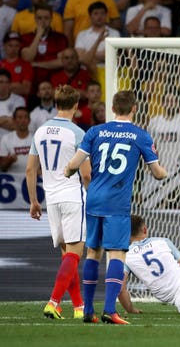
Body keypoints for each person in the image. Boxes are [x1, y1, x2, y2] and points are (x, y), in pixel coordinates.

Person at [64, 90, 168, 324]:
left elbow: (74, 165)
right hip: (117, 203)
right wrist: (167, 172)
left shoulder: (95, 131)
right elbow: (157, 173)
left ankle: (88, 311)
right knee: (117, 254)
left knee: (92, 252)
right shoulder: (140, 135)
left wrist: (67, 171)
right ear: (134, 109)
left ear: (112, 108)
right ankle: (110, 310)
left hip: (93, 199)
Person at [25, 85, 91, 320]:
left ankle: (78, 307)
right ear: (76, 106)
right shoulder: (77, 133)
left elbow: (31, 168)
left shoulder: (40, 131)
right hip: (73, 197)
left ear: (55, 103)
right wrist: (92, 197)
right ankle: (53, 302)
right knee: (75, 254)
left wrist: (34, 201)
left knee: (67, 257)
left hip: (51, 199)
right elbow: (85, 174)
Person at [0, 107, 32, 173]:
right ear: (14, 120)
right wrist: (9, 161)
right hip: (13, 180)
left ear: (29, 120)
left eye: (26, 117)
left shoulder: (37, 138)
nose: (23, 120)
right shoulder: (6, 139)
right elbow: (2, 166)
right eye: (20, 117)